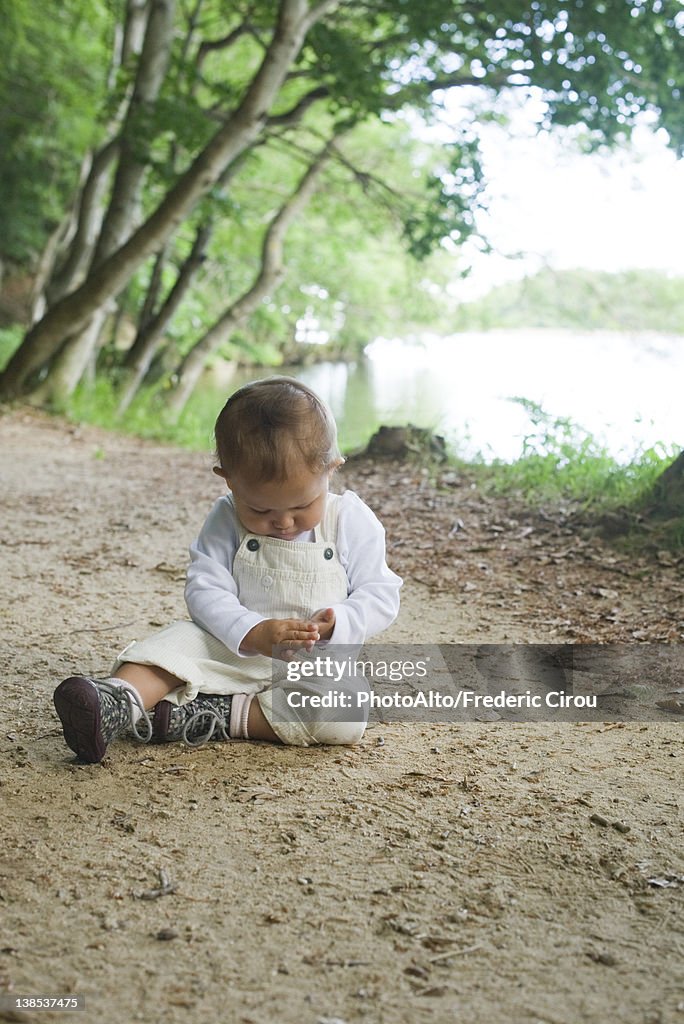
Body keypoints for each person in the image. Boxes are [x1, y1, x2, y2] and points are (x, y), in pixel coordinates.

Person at [53, 377, 402, 762]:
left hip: (310, 662)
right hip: (230, 647)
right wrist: (250, 631)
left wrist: (341, 622)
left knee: (345, 710)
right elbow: (205, 589)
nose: (283, 523)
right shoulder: (226, 517)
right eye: (261, 510)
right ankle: (115, 702)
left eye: (302, 506)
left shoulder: (349, 519)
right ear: (229, 479)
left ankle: (217, 716)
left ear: (330, 470)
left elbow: (380, 592)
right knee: (172, 646)